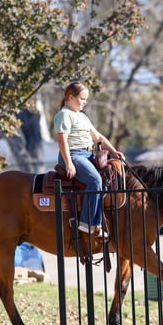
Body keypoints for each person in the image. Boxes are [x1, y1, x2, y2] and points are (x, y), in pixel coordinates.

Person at [54, 81, 126, 237]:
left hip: (88, 155)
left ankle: (98, 222)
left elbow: (98, 137)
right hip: (74, 155)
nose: (85, 102)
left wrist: (114, 152)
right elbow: (62, 141)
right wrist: (69, 163)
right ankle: (88, 224)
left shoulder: (82, 117)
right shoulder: (64, 115)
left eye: (86, 99)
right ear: (71, 97)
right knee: (95, 180)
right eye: (82, 98)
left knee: (107, 180)